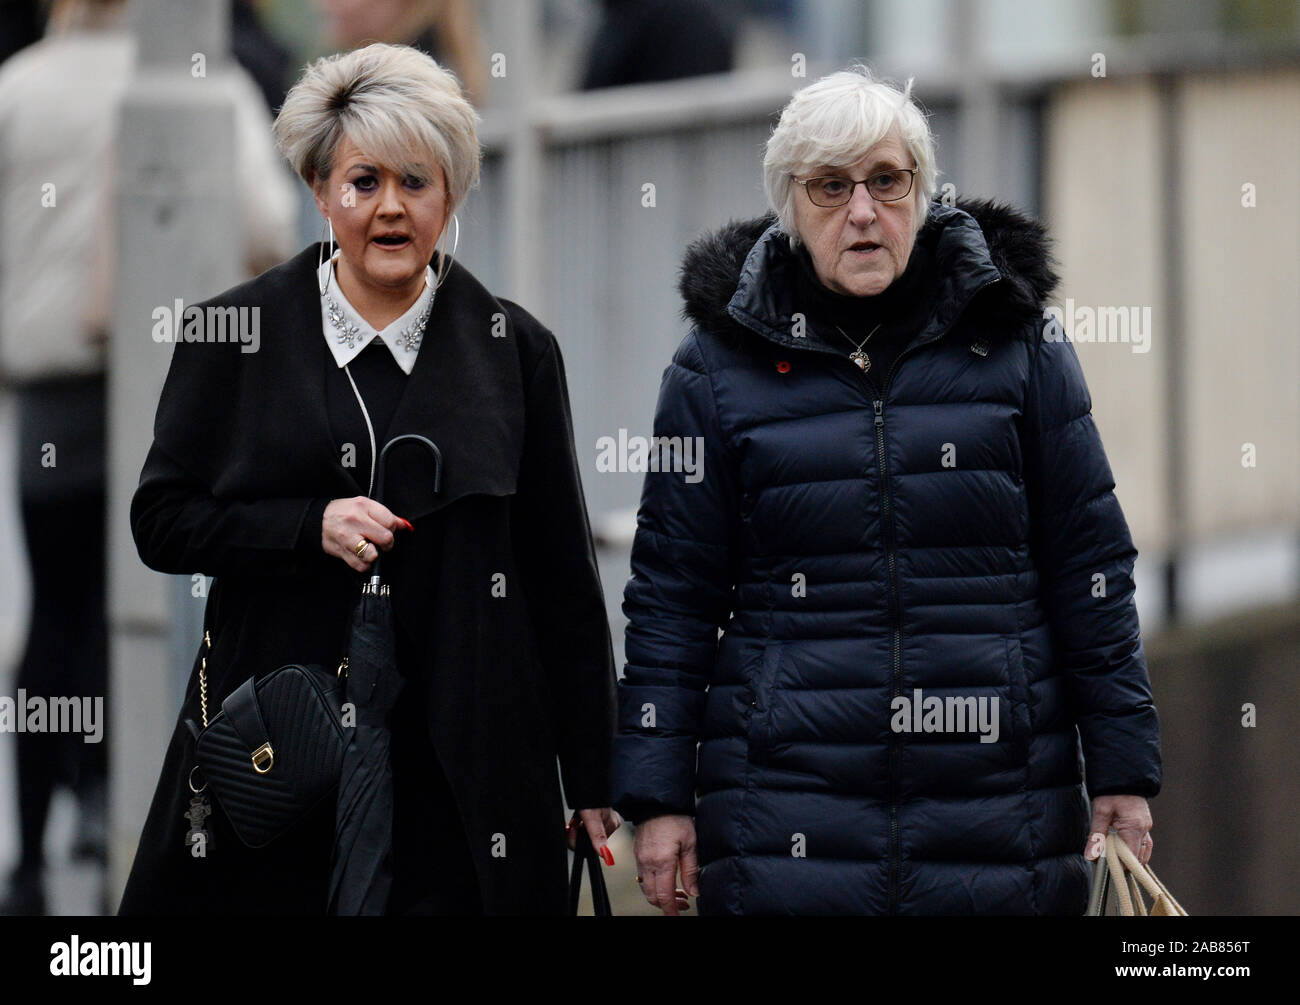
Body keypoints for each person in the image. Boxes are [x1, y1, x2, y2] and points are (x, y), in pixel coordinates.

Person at [611, 66, 1162, 915]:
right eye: (830, 186)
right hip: (785, 816)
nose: (862, 211)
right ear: (791, 204)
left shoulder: (1018, 346)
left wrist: (1123, 769)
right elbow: (671, 597)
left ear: (923, 190)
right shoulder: (714, 369)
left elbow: (1091, 565)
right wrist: (657, 797)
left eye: (886, 180)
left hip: (995, 810)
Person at [118, 42, 617, 915]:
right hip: (279, 760)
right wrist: (304, 524)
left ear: (451, 195)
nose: (389, 208)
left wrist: (594, 773)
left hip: (463, 770)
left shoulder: (517, 349)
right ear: (321, 192)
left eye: (416, 182)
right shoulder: (232, 334)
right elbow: (161, 520)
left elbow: (561, 579)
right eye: (363, 182)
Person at [0, 0, 295, 915]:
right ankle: (120, 806)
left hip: (53, 385)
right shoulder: (199, 81)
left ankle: (34, 847)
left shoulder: (16, 90)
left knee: (55, 605)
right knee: (150, 595)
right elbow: (266, 222)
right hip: (172, 381)